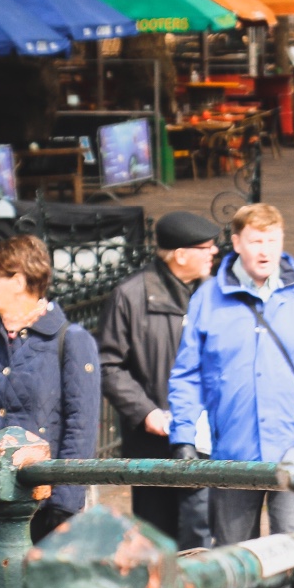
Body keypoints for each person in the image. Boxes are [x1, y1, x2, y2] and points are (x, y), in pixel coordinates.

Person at [169, 203, 294, 553]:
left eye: (272, 240)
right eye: (255, 240)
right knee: (233, 557)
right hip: (233, 452)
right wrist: (183, 436)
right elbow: (188, 374)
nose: (264, 250)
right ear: (237, 243)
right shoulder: (209, 298)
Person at [0, 235, 101, 566]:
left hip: (41, 500)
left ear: (18, 280)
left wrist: (66, 503)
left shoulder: (71, 340)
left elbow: (81, 426)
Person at [98, 210, 220, 550]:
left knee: (203, 534)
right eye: (206, 247)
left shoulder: (217, 294)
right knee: (157, 537)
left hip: (209, 439)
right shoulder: (131, 296)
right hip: (154, 441)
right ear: (181, 256)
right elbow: (108, 363)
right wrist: (144, 411)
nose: (214, 252)